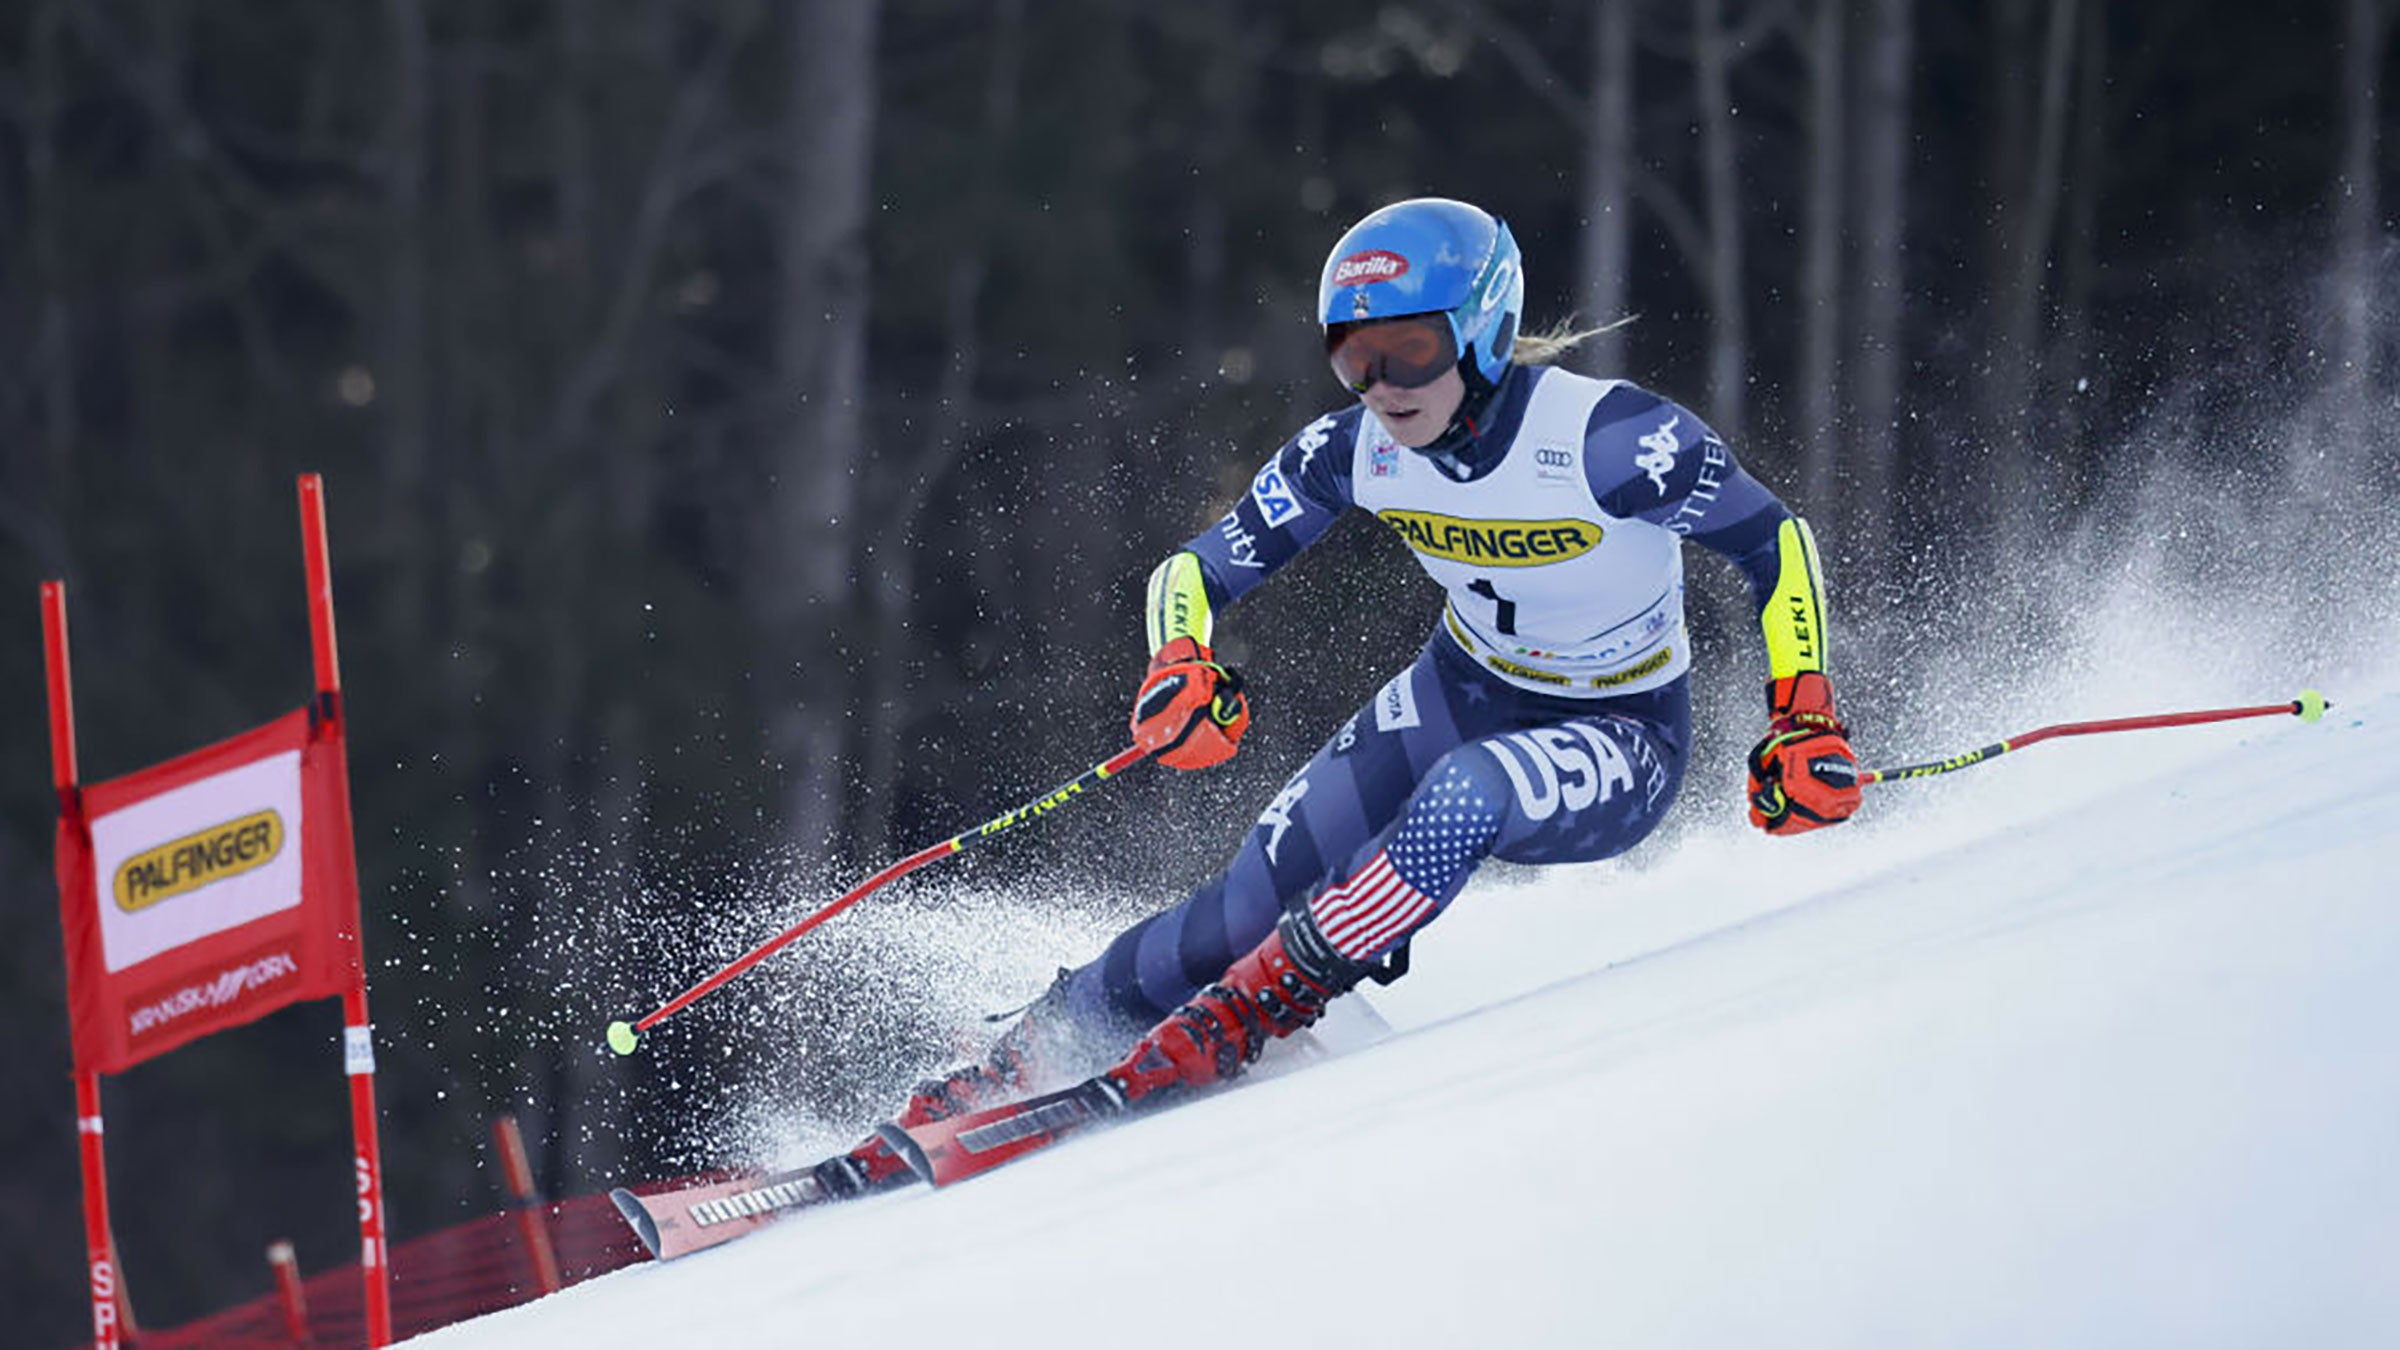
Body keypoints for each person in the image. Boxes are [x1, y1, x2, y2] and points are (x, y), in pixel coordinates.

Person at [829, 196, 1860, 1190]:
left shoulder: (1608, 440)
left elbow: (1777, 542)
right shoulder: (1355, 450)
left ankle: (1263, 1006)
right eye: (1352, 354)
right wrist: (1177, 662)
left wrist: (1802, 711)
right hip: (1462, 688)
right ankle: (1024, 1056)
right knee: (1242, 903)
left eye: (1408, 348)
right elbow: (1191, 572)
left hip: (1620, 730)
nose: (1381, 384)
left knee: (1468, 792)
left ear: (1485, 329)